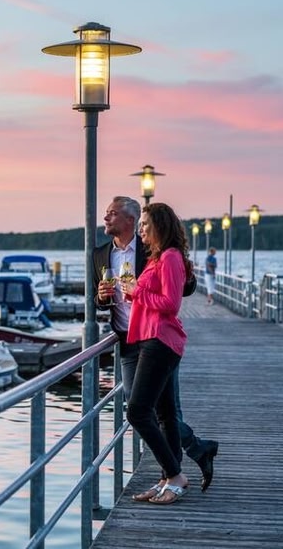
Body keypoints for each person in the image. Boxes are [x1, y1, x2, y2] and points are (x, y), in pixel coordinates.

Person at [93, 196, 219, 493]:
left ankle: (175, 474)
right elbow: (98, 301)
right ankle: (180, 467)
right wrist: (102, 295)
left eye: (112, 213)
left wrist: (144, 288)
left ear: (130, 219)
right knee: (151, 409)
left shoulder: (157, 252)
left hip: (158, 338)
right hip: (130, 338)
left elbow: (176, 293)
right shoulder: (101, 254)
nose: (106, 218)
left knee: (150, 411)